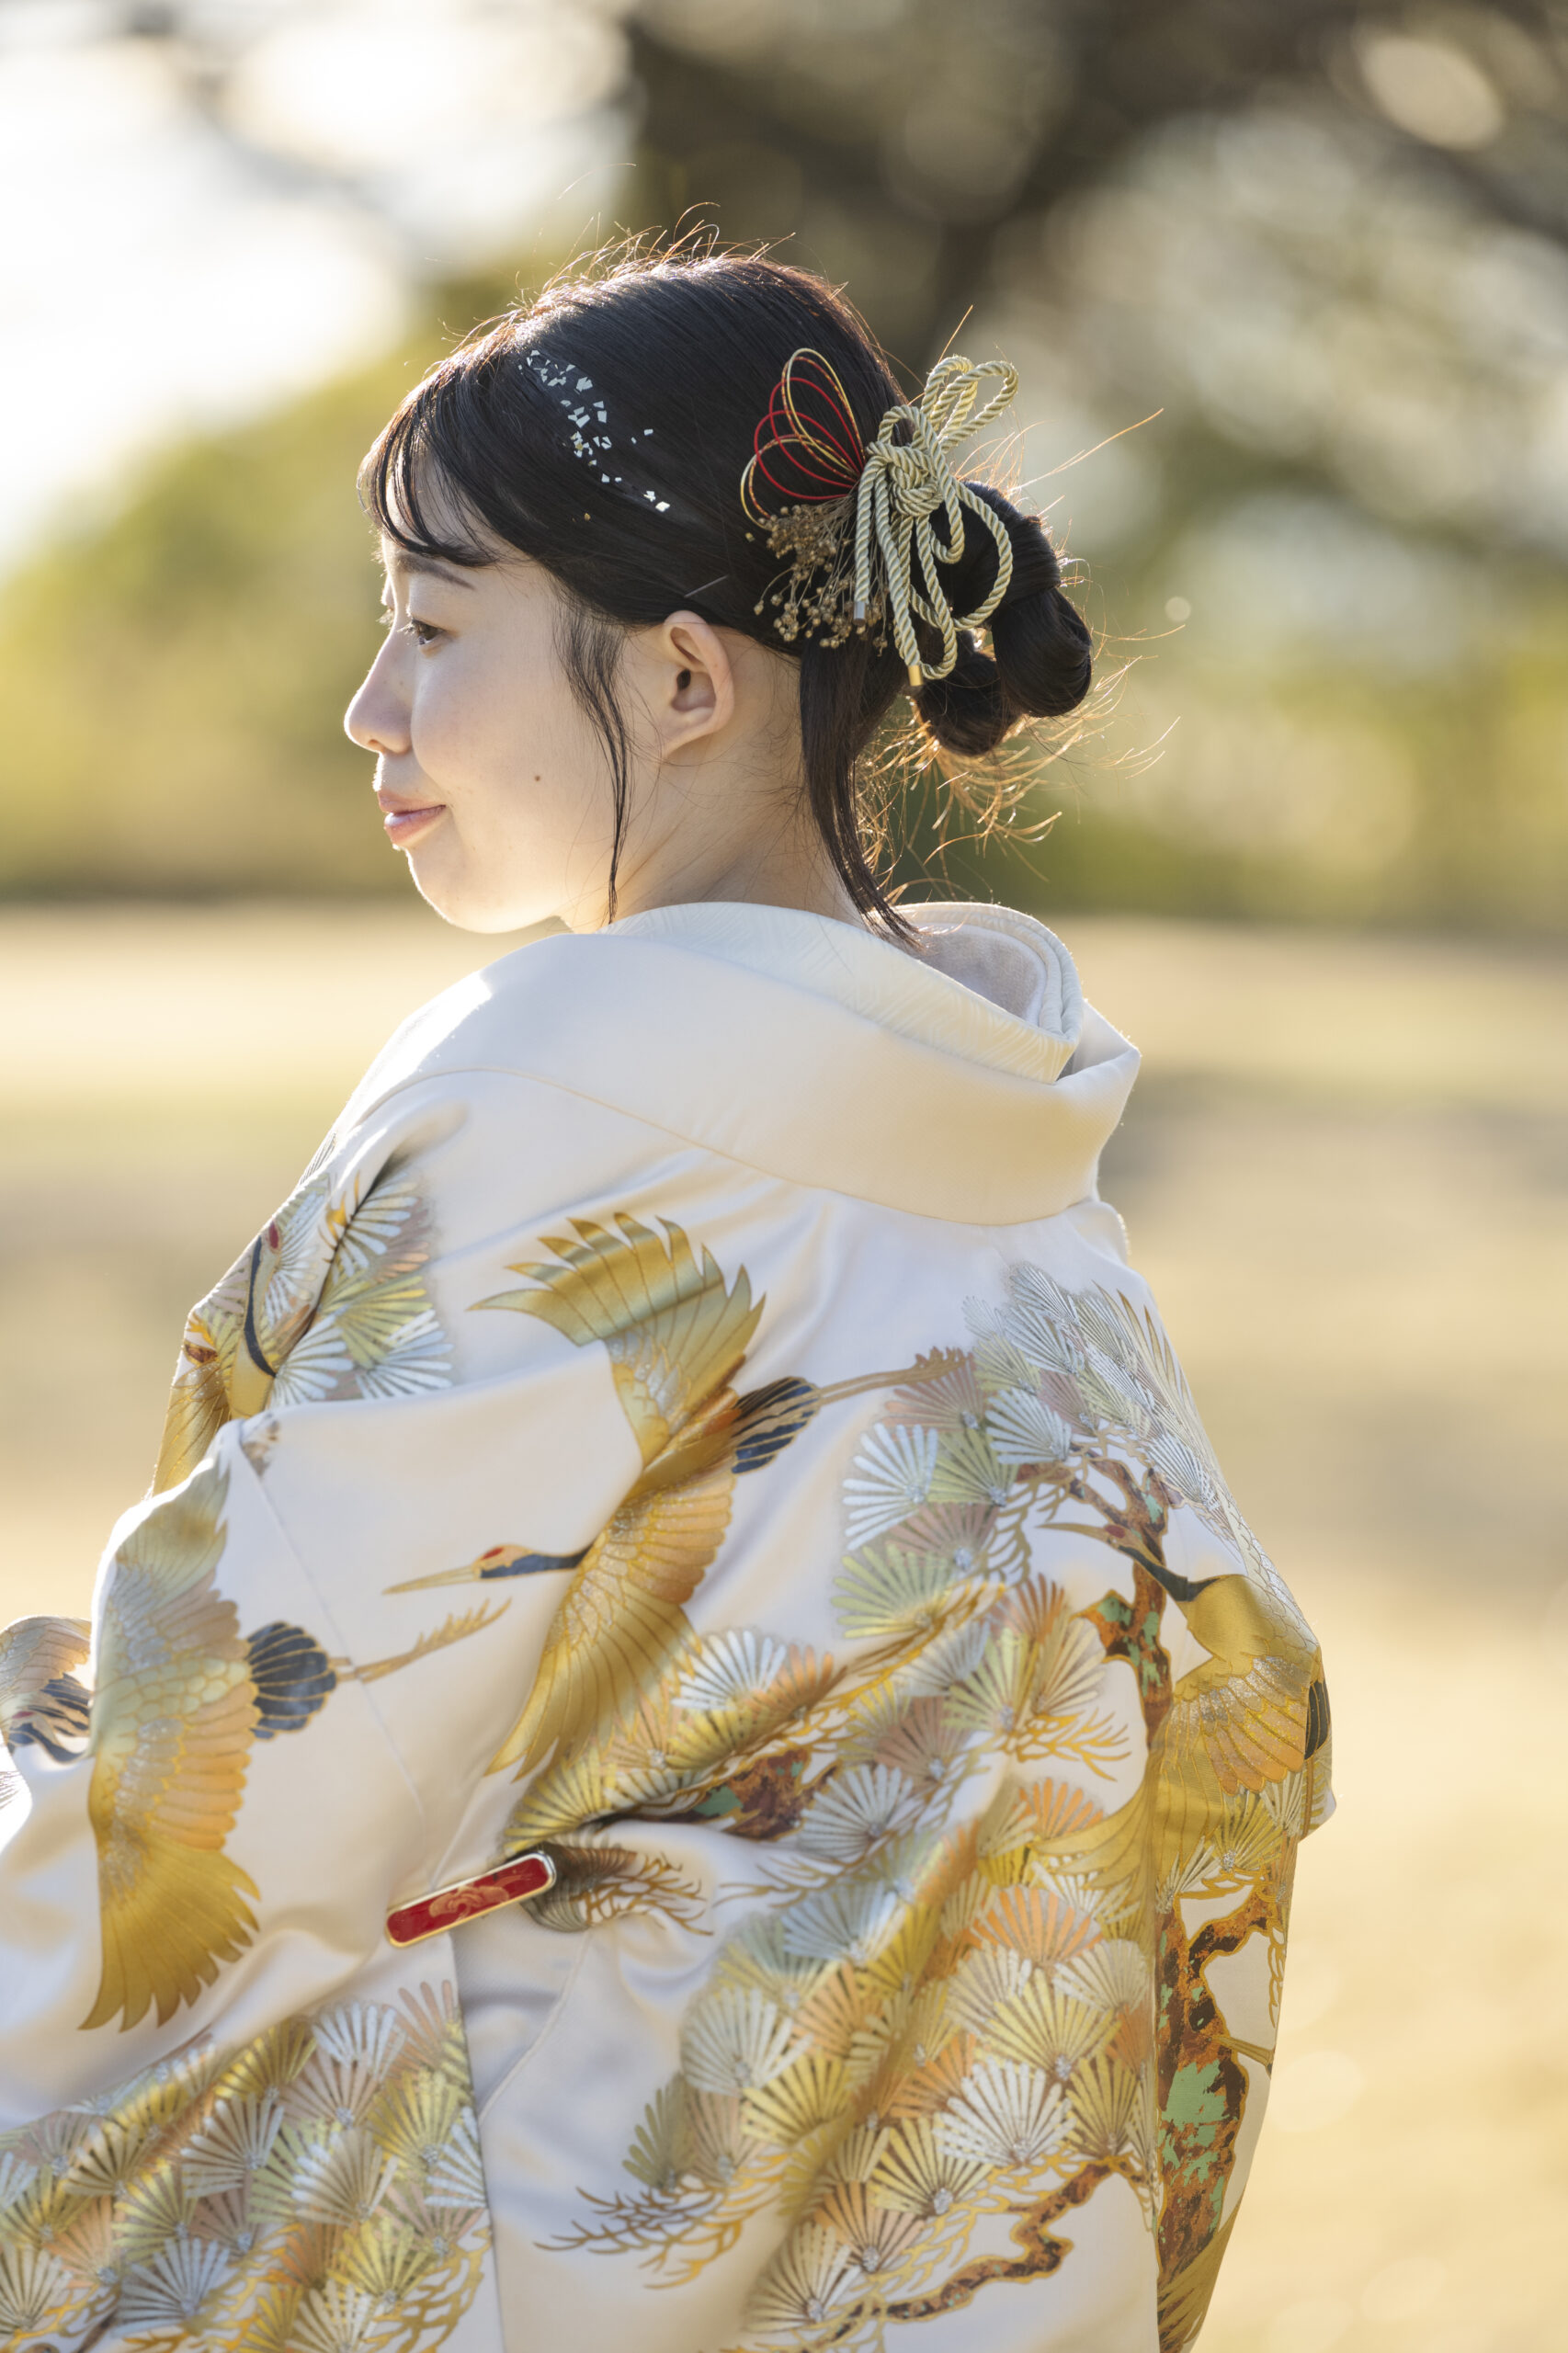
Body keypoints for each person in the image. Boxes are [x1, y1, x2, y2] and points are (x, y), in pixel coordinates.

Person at [0, 248, 1331, 2353]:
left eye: (436, 625)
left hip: (531, 2248)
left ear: (687, 680)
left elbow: (231, 1780)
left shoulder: (558, 1105)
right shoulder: (1022, 1156)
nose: (370, 706)